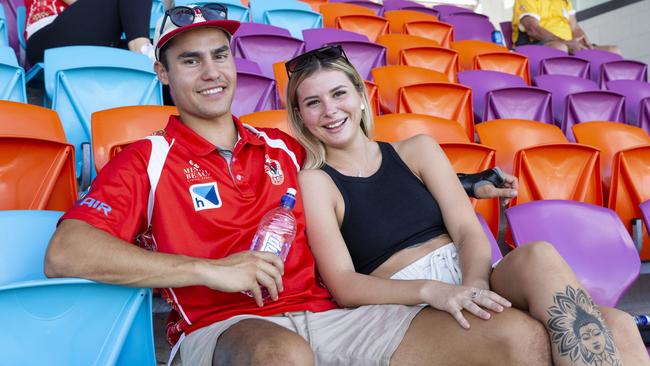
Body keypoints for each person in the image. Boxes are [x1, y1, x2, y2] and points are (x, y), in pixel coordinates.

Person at [46, 4, 552, 366]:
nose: (211, 72)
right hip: (222, 329)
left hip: (331, 317)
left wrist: (468, 183)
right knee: (282, 354)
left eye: (219, 55)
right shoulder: (147, 160)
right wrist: (209, 270)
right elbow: (66, 252)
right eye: (189, 60)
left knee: (514, 337)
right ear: (162, 71)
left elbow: (370, 176)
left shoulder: (284, 147)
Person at [288, 45, 649, 366]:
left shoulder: (418, 150)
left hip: (472, 270)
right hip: (409, 299)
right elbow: (345, 284)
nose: (330, 110)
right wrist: (434, 290)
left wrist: (475, 284)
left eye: (339, 93)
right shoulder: (315, 181)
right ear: (300, 115)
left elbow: (466, 229)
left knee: (604, 313)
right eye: (313, 102)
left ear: (361, 95)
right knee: (535, 333)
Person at [25, 0, 154, 65]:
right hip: (46, 39)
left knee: (165, 53)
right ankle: (143, 50)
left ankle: (145, 53)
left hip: (87, 40)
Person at [512, 0, 621, 55]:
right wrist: (565, 43)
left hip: (570, 44)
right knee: (560, 48)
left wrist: (584, 43)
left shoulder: (564, 1)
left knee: (613, 51)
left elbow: (575, 28)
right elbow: (532, 29)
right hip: (540, 45)